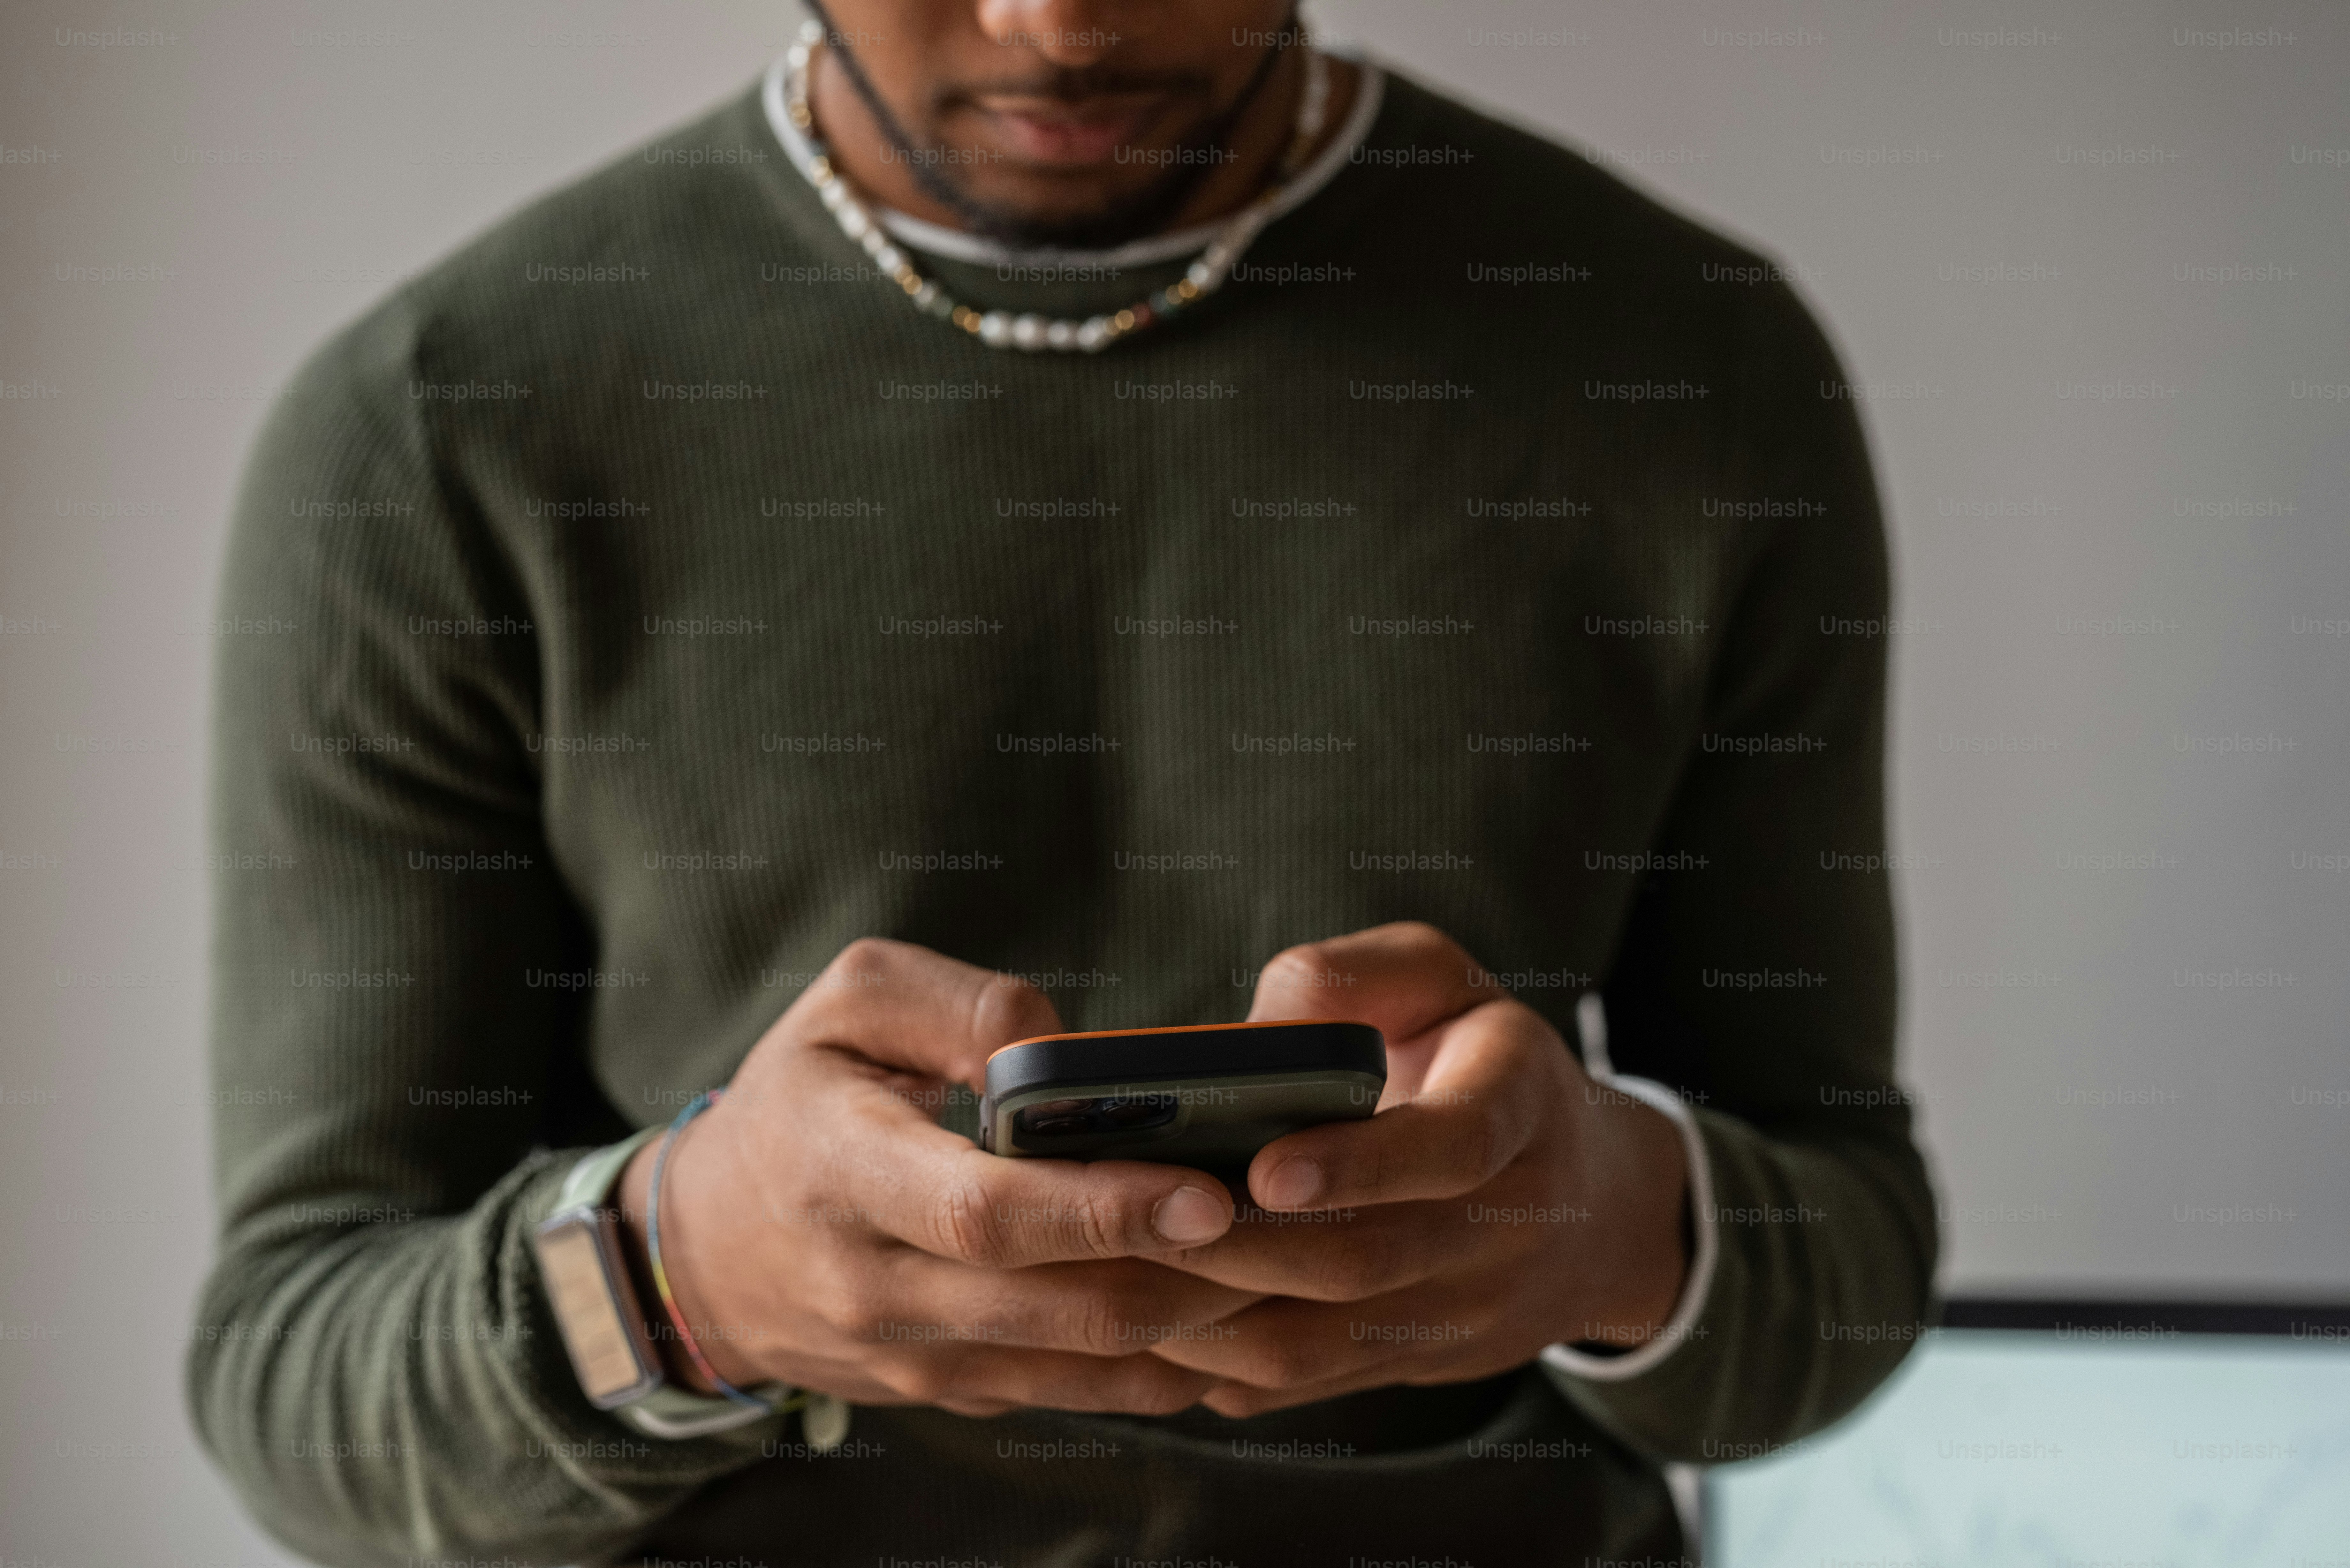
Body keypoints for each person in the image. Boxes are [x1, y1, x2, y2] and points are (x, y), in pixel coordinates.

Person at [188, 2, 1936, 1563]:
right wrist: (683, 1278)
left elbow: (1852, 1244)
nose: (1059, 24)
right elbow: (300, 1386)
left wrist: (1612, 1223)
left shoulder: (1688, 368)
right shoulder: (437, 429)